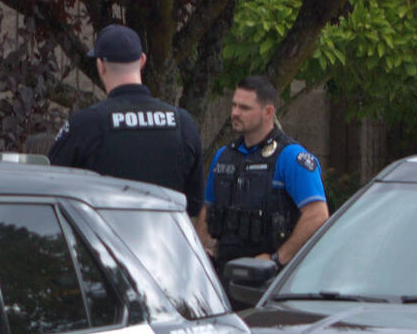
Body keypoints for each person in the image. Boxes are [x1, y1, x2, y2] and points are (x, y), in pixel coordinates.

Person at [48, 24, 205, 217]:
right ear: (142, 61)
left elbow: (51, 190)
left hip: (104, 244)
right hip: (166, 244)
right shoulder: (183, 123)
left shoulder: (85, 125)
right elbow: (195, 204)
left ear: (101, 65)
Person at [198, 75, 328, 273]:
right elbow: (207, 211)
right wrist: (201, 254)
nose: (235, 113)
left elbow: (317, 215)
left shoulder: (291, 157)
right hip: (225, 273)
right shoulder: (223, 157)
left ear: (268, 112)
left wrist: (276, 260)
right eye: (234, 106)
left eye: (244, 108)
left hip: (270, 280)